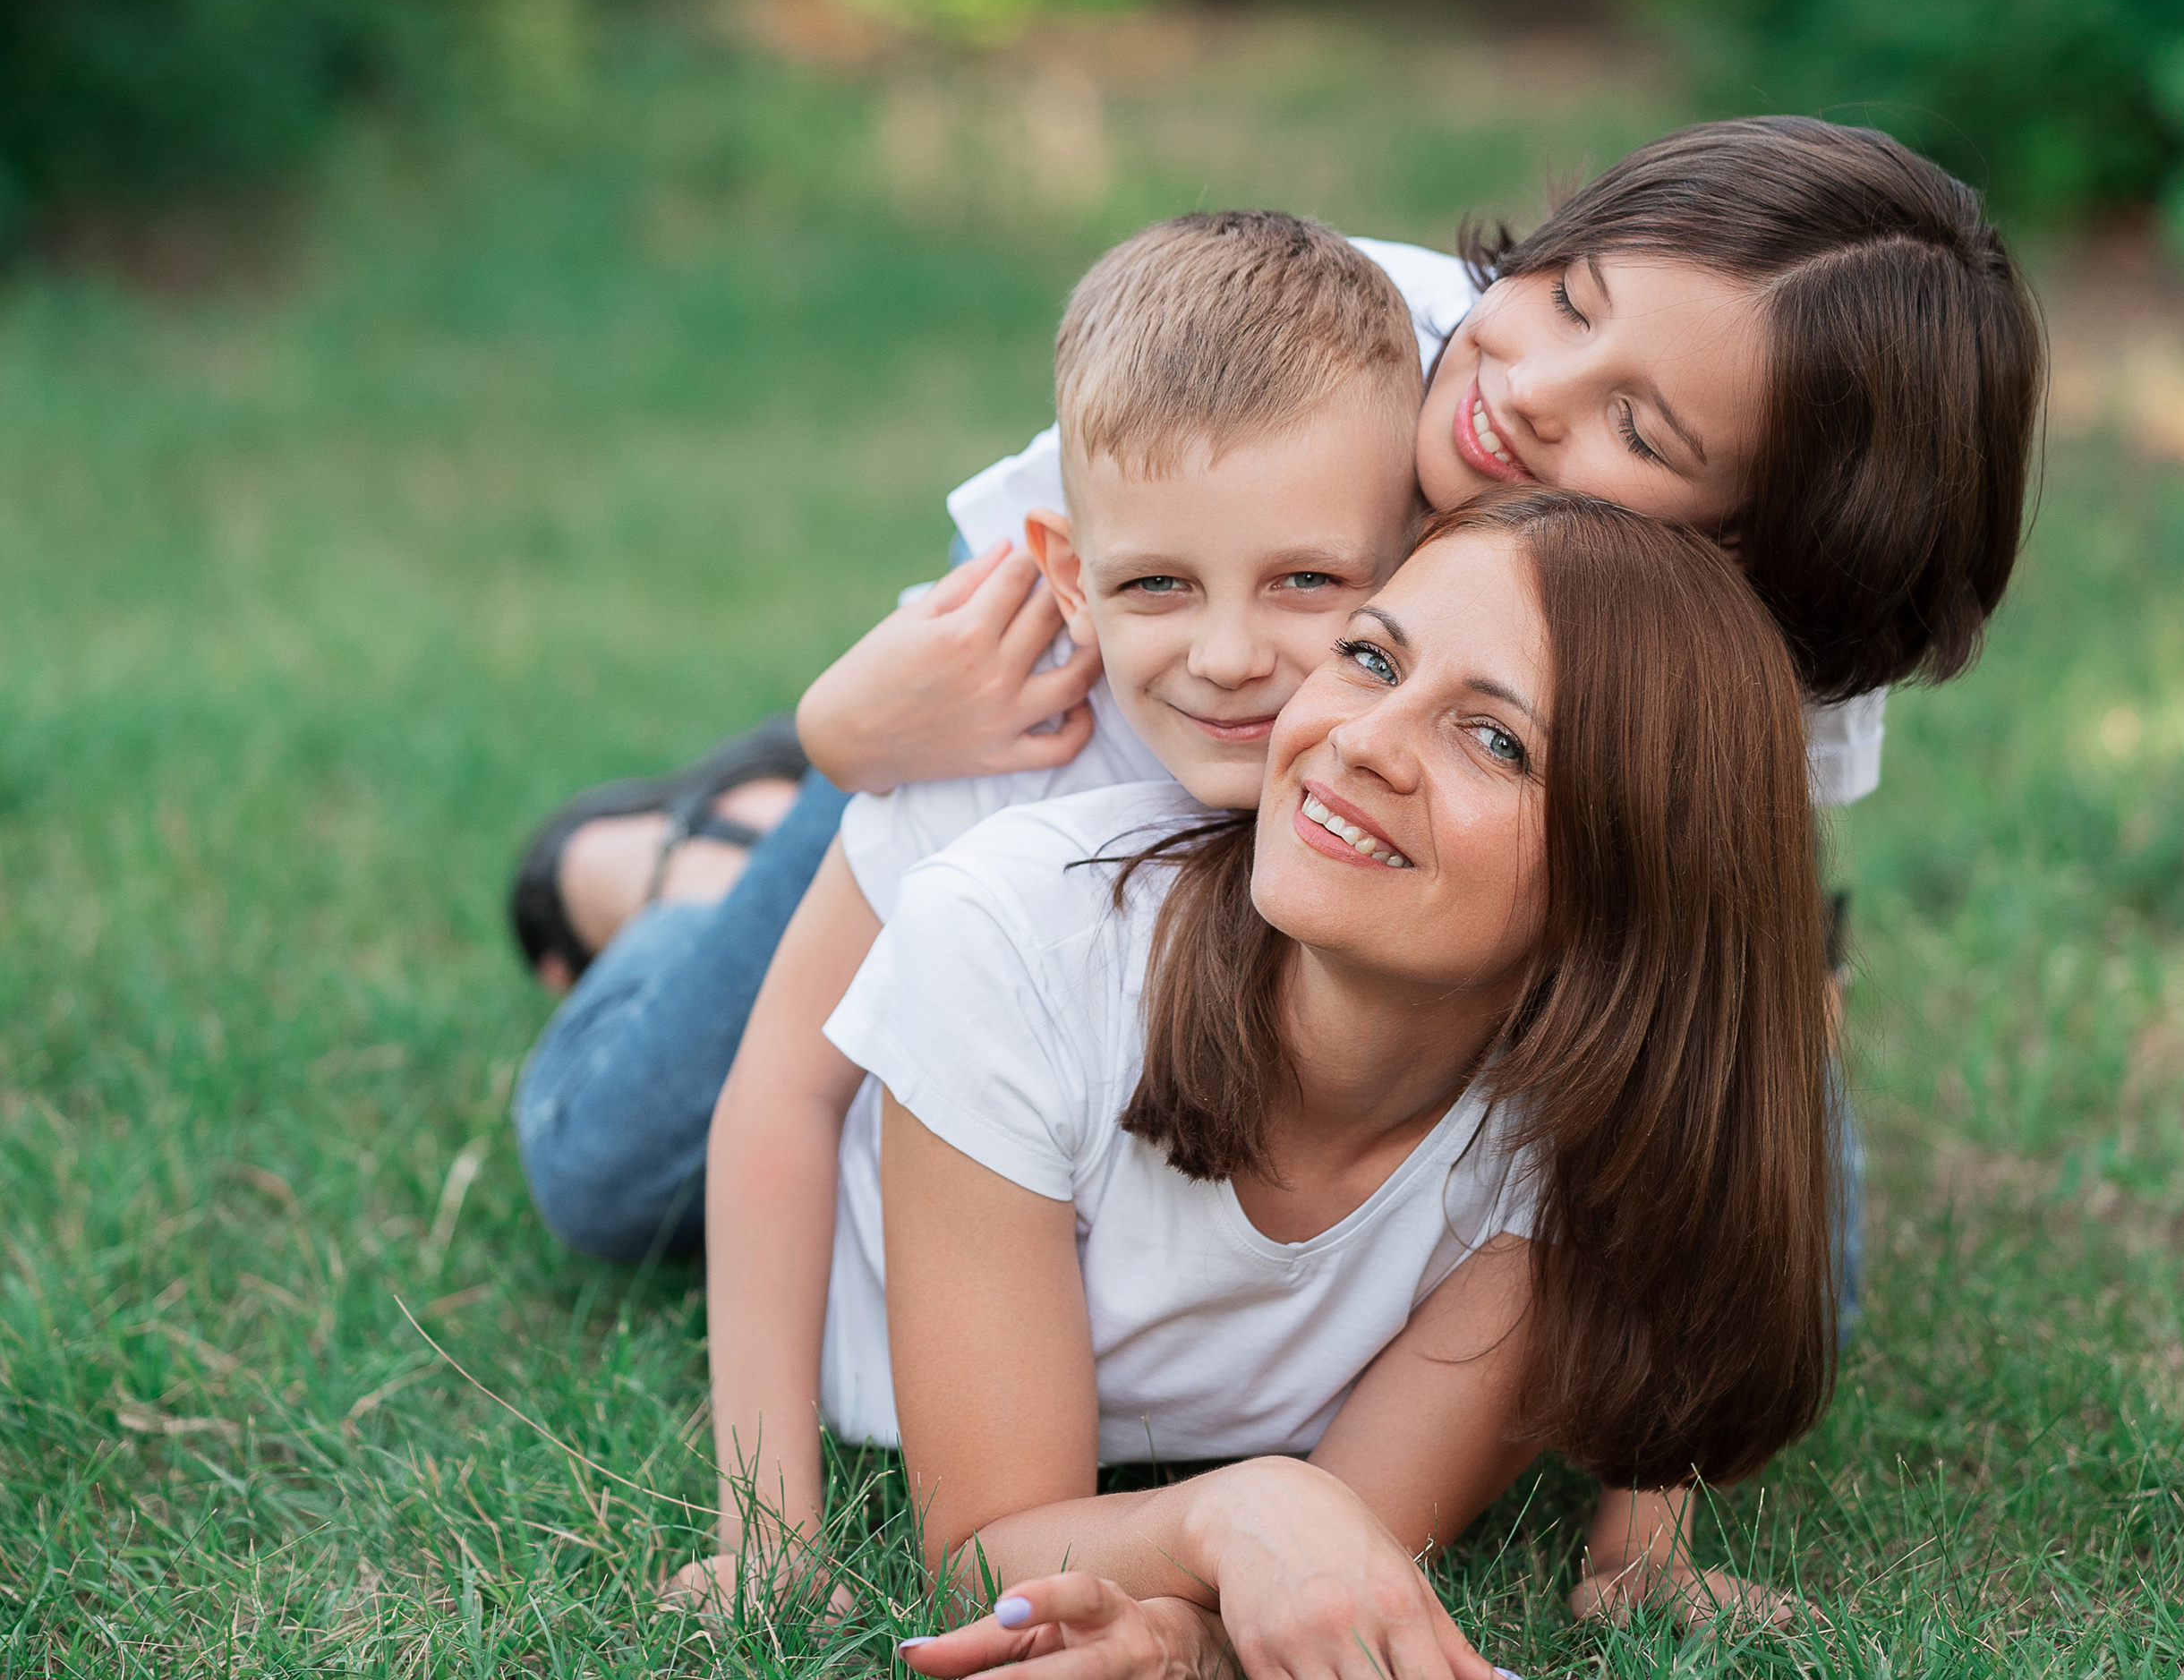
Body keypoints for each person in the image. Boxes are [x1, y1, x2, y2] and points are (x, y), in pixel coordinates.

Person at [509, 117, 2044, 1266]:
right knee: (622, 1176)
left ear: (1751, 551)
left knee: (1802, 1288)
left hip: (1393, 839)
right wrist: (848, 742)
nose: (1524, 395)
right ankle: (676, 868)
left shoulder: (1761, 655)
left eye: (1639, 434)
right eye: (1569, 303)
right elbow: (1015, 652)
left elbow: (1756, 925)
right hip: (1022, 737)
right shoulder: (1320, 347)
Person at [681, 492, 1842, 1642]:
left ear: (1636, 881)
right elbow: (986, 1550)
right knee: (640, 1052)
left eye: (1496, 741)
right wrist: (1241, 1510)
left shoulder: (1563, 1141)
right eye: (1372, 660)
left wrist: (1190, 1638)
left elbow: (1353, 1542)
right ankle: (670, 843)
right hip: (911, 1038)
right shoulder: (1009, 943)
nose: (1363, 743)